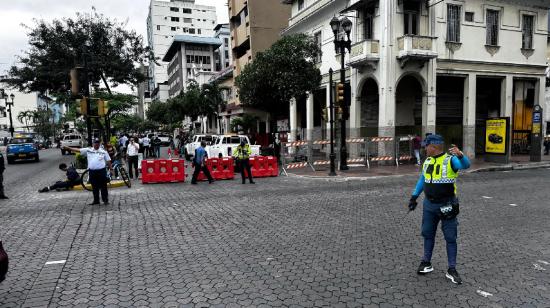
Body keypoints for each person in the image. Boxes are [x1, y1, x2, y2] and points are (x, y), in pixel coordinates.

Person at [408, 134, 470, 284]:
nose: (424, 148)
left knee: (450, 237)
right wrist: (414, 197)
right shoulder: (427, 161)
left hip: (447, 205)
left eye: (426, 146)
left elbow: (466, 165)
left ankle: (452, 269)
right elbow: (422, 180)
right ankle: (426, 262)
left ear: (433, 147)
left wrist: (461, 155)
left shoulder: (451, 160)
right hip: (429, 205)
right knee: (428, 234)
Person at [64, 139, 112, 205]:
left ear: (99, 144)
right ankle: (96, 200)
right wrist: (68, 148)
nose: (96, 144)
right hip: (92, 171)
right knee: (94, 186)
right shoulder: (88, 150)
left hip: (101, 171)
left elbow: (108, 160)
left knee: (103, 186)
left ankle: (105, 200)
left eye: (98, 143)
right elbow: (78, 150)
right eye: (95, 143)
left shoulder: (103, 151)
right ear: (93, 144)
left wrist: (111, 169)